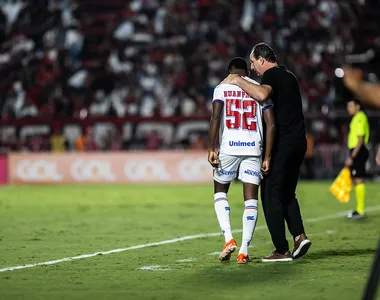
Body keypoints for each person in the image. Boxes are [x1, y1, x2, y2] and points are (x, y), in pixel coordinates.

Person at [222, 43, 311, 262]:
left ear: (262, 60)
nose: (252, 68)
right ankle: (300, 237)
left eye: (253, 62)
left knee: (270, 194)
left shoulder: (272, 75)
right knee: (287, 193)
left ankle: (281, 249)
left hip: (283, 144)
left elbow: (262, 94)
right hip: (299, 142)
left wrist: (236, 80)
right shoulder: (289, 76)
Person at [208, 57, 275, 264]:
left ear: (229, 71)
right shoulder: (259, 89)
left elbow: (216, 117)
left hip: (229, 148)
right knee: (251, 200)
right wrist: (267, 156)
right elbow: (271, 124)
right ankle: (244, 250)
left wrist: (211, 147)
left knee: (220, 191)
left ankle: (229, 238)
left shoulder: (222, 87)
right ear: (247, 71)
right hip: (254, 149)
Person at [345, 98, 370, 219]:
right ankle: (359, 209)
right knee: (357, 179)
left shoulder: (360, 117)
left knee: (359, 179)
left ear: (358, 106)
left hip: (358, 151)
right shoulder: (356, 117)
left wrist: (351, 156)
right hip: (356, 151)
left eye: (350, 106)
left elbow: (360, 140)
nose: (348, 109)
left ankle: (360, 211)